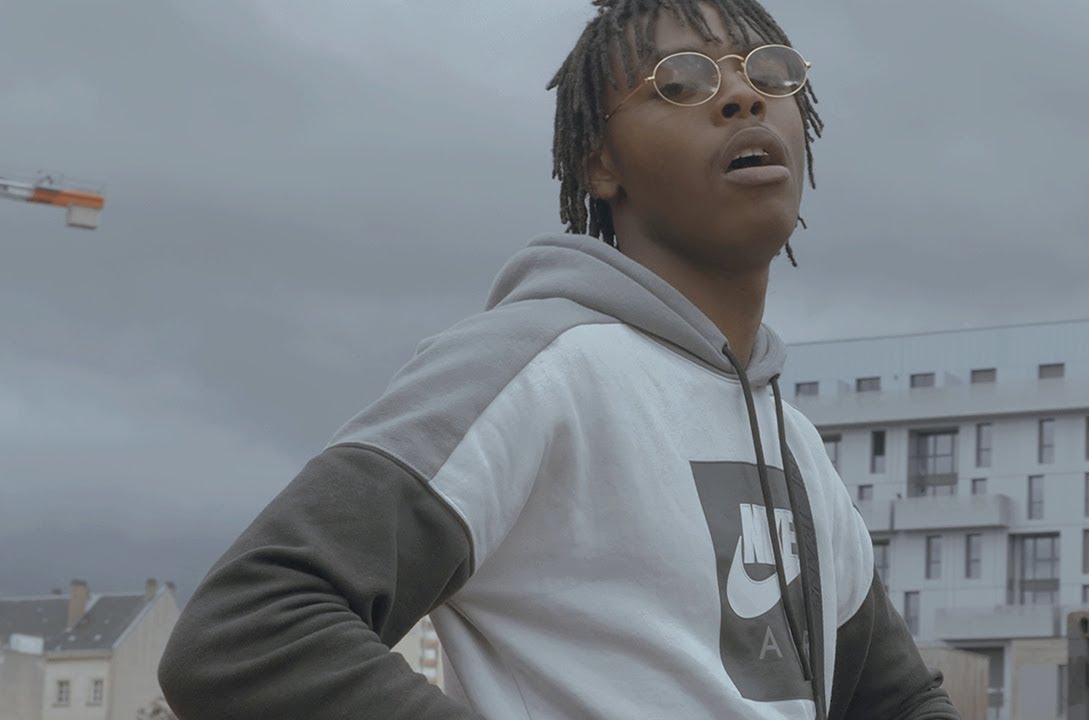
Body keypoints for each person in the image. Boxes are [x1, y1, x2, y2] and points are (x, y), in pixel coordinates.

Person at [158, 1, 961, 718]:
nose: (742, 97)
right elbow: (249, 629)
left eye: (769, 72)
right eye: (679, 82)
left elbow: (896, 701)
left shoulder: (796, 448)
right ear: (600, 164)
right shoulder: (531, 366)